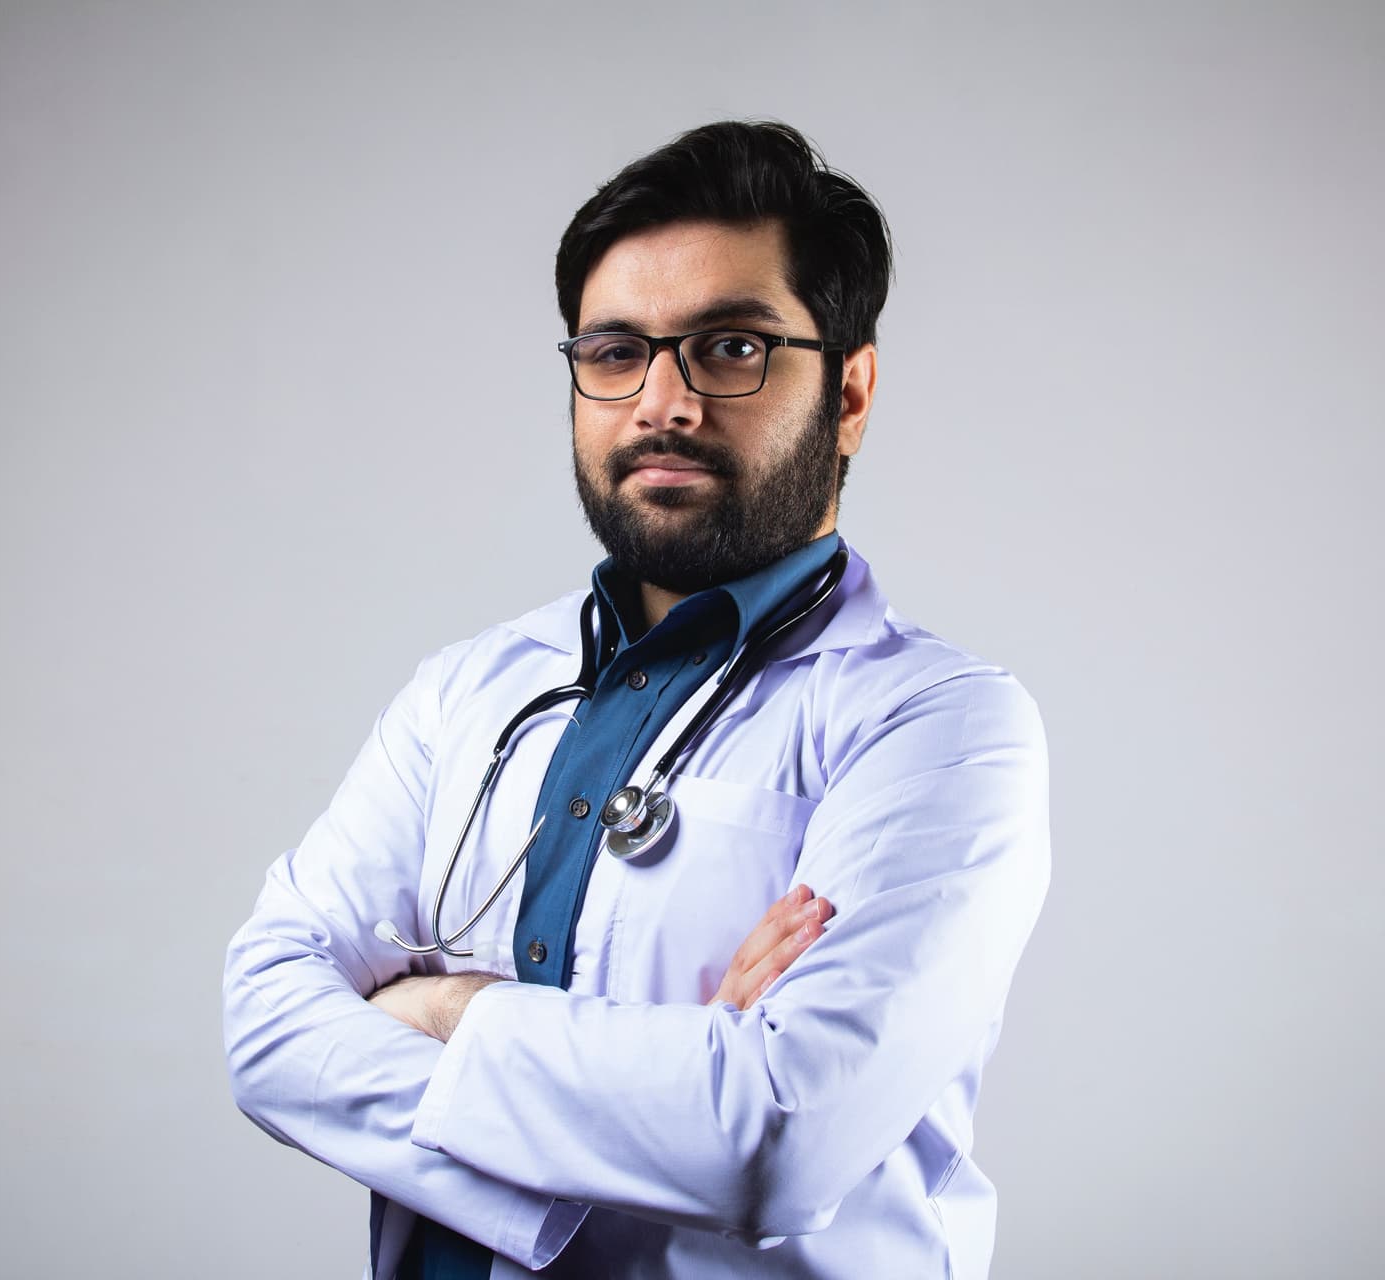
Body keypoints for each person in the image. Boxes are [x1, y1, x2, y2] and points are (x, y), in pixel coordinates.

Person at [223, 120, 1051, 1279]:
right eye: (616, 351)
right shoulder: (465, 691)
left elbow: (775, 1141)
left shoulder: (939, 725)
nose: (663, 401)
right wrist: (686, 1067)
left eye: (731, 347)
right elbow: (266, 1026)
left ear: (851, 391)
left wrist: (445, 1010)